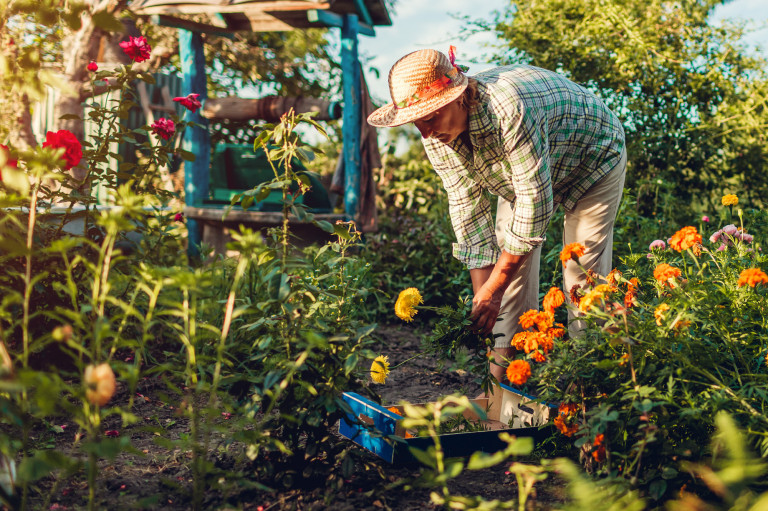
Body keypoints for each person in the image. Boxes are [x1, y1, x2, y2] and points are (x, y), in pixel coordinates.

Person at [367, 47, 627, 382]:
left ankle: (593, 391)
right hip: (523, 174)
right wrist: (485, 301)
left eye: (429, 118)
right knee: (504, 281)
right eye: (417, 122)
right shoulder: (436, 137)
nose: (425, 133)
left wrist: (495, 289)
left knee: (581, 276)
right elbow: (467, 211)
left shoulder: (508, 110)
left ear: (457, 97)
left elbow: (534, 205)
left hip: (592, 158)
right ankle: (503, 393)